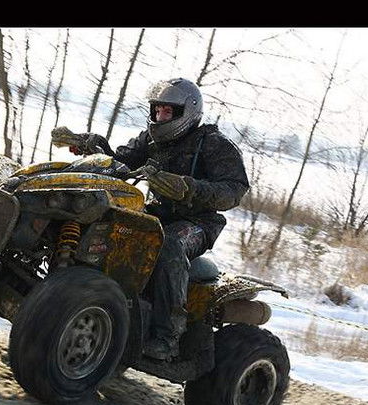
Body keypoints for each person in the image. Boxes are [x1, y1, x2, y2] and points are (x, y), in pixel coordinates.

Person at [66, 78, 249, 360]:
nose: (161, 117)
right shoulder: (151, 140)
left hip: (198, 222)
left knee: (169, 246)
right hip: (157, 213)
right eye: (158, 111)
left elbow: (235, 189)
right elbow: (119, 161)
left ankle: (168, 337)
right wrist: (92, 145)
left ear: (187, 112)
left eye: (168, 112)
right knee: (110, 221)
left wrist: (190, 188)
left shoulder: (213, 144)